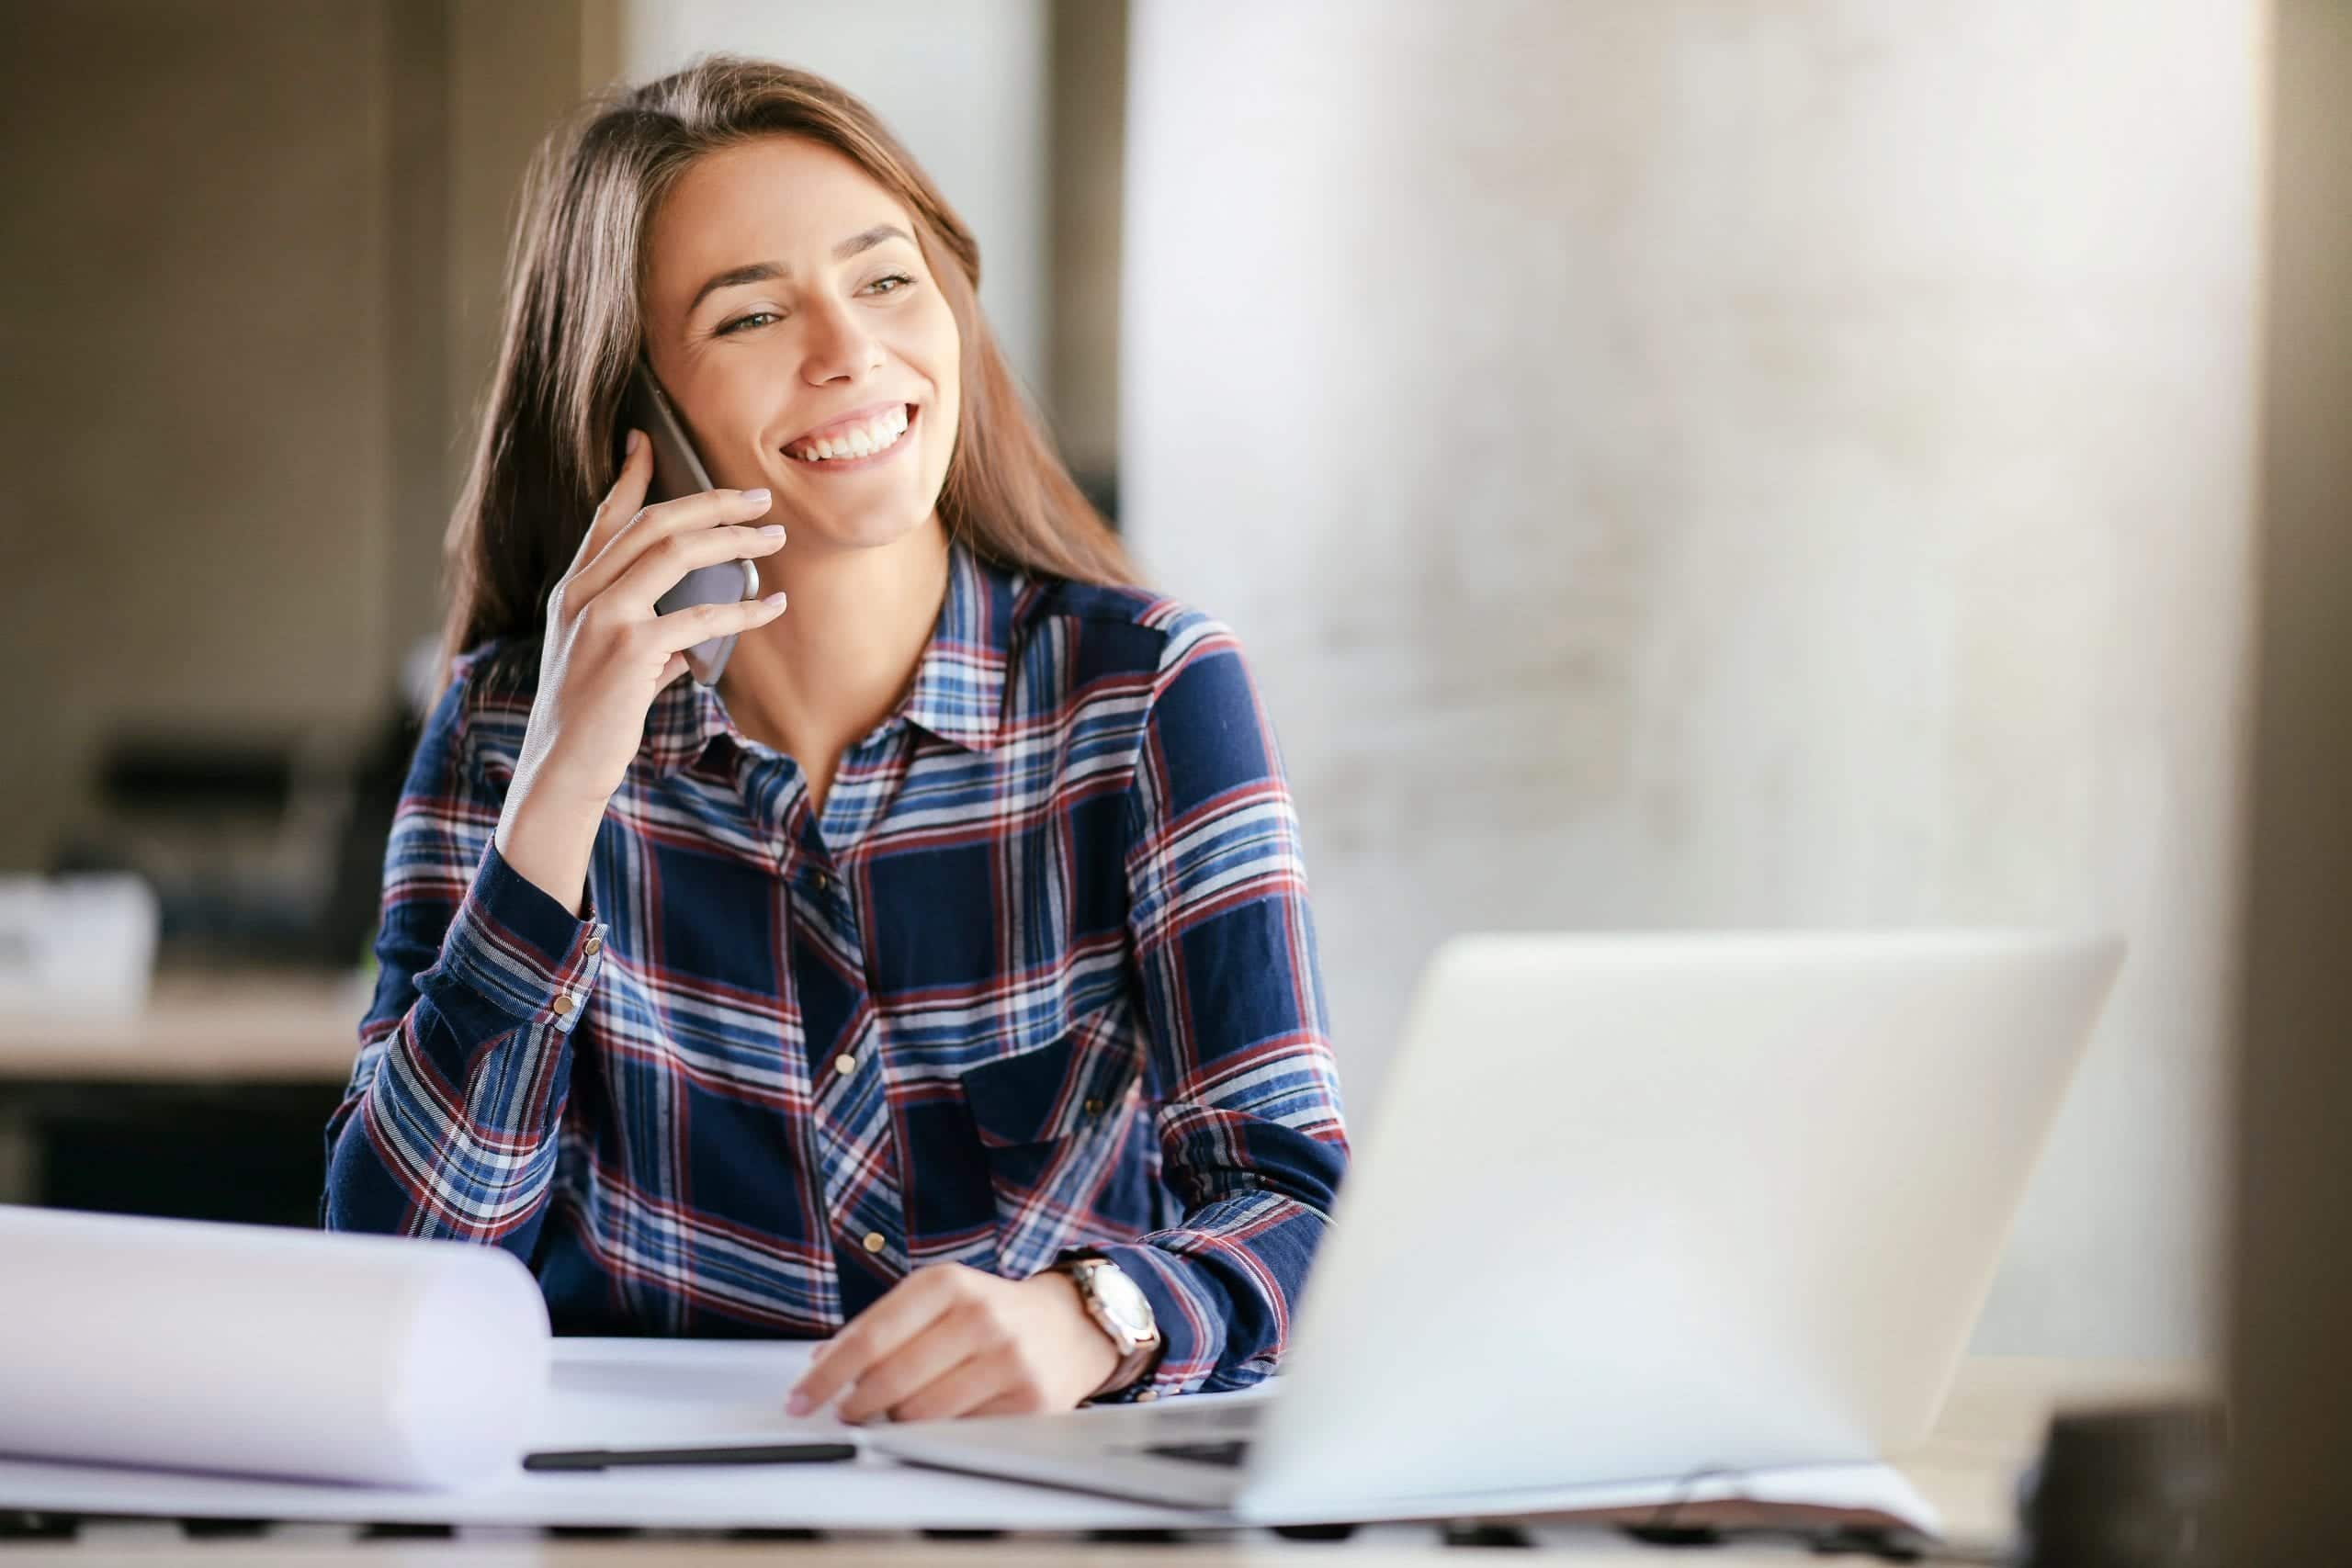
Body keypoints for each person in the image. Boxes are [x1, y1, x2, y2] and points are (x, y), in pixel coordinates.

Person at [322, 54, 1351, 1425]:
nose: (849, 350)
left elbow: (1296, 1208)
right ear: (642, 416)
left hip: (1037, 1508)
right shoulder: (514, 731)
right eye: (751, 315)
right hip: (629, 1514)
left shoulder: (1148, 700)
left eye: (884, 280)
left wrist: (1094, 1318)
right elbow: (395, 1281)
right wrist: (562, 789)